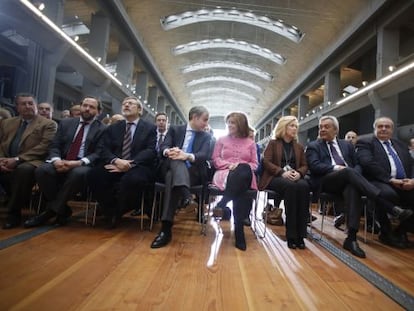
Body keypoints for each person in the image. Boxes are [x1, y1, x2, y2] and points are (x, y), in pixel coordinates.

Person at [305, 115, 395, 258]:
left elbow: (358, 163)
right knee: (348, 172)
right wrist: (336, 168)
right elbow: (315, 166)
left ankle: (351, 238)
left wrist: (353, 174)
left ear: (335, 130)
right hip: (326, 182)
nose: (322, 129)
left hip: (349, 181)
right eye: (320, 127)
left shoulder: (346, 145)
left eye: (326, 127)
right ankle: (385, 203)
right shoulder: (313, 146)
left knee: (352, 187)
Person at [23, 96, 105, 227]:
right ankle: (62, 210)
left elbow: (99, 153)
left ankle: (49, 212)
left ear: (99, 112)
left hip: (83, 163)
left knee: (78, 174)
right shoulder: (66, 123)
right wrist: (56, 160)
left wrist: (78, 163)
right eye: (85, 105)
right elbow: (54, 145)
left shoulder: (103, 129)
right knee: (42, 170)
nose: (87, 109)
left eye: (92, 107)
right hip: (61, 160)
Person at [87, 96, 157, 229]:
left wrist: (130, 164)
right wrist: (116, 161)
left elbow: (150, 150)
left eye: (130, 103)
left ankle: (117, 212)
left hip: (138, 166)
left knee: (133, 181)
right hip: (115, 163)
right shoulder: (114, 128)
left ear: (139, 110)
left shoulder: (149, 128)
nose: (126, 105)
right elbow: (104, 148)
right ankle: (109, 210)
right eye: (124, 103)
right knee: (94, 175)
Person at [150, 106, 210, 249]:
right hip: (170, 164)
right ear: (194, 117)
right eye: (204, 120)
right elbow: (164, 146)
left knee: (173, 175)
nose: (206, 124)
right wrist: (169, 151)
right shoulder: (175, 130)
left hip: (193, 173)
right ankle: (186, 197)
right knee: (176, 161)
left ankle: (166, 228)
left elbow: (204, 155)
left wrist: (187, 156)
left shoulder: (206, 136)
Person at [0, 93, 57, 229]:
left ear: (35, 106)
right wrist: (1, 160)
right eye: (23, 104)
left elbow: (43, 147)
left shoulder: (48, 124)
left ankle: (13, 214)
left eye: (30, 103)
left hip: (34, 161)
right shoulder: (7, 123)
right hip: (6, 160)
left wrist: (17, 159)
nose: (28, 106)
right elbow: (1, 143)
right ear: (17, 107)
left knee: (23, 170)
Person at [356, 117, 414, 248]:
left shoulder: (401, 145)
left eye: (387, 127)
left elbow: (412, 164)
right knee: (387, 194)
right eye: (380, 126)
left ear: (392, 130)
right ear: (375, 129)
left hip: (404, 182)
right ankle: (385, 232)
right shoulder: (365, 143)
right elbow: (367, 163)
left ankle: (400, 231)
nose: (383, 129)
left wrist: (412, 180)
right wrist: (390, 179)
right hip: (378, 181)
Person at [259, 116, 309, 249]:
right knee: (291, 187)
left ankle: (301, 235)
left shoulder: (298, 147)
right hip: (275, 177)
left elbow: (305, 165)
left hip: (294, 176)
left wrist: (299, 173)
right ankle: (291, 235)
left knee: (304, 186)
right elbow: (266, 162)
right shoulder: (273, 143)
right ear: (284, 127)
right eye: (292, 125)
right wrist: (282, 172)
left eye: (296, 126)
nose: (295, 128)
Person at [211, 112, 258, 251]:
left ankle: (223, 202)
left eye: (233, 122)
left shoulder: (251, 143)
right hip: (225, 173)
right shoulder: (221, 140)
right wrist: (229, 165)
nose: (230, 125)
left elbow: (255, 164)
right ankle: (239, 231)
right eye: (229, 122)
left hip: (244, 174)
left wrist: (240, 166)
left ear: (241, 124)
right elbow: (215, 159)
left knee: (243, 169)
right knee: (240, 185)